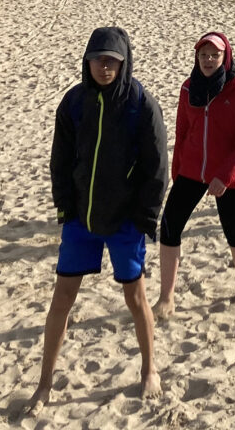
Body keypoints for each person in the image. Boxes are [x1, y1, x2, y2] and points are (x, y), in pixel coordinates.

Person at [31, 28, 167, 408]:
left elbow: (158, 169)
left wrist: (145, 219)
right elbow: (60, 160)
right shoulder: (74, 103)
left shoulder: (141, 104)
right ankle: (44, 383)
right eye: (98, 59)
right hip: (81, 220)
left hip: (124, 223)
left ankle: (149, 369)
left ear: (123, 63)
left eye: (112, 60)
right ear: (87, 61)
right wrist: (64, 207)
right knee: (62, 299)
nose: (104, 66)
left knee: (135, 298)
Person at [156, 33, 235, 318]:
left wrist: (224, 176)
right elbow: (182, 132)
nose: (209, 60)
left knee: (233, 230)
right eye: (203, 55)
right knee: (169, 226)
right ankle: (166, 298)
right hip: (191, 170)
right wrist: (177, 172)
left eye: (214, 55)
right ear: (197, 57)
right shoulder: (189, 89)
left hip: (230, 174)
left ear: (225, 57)